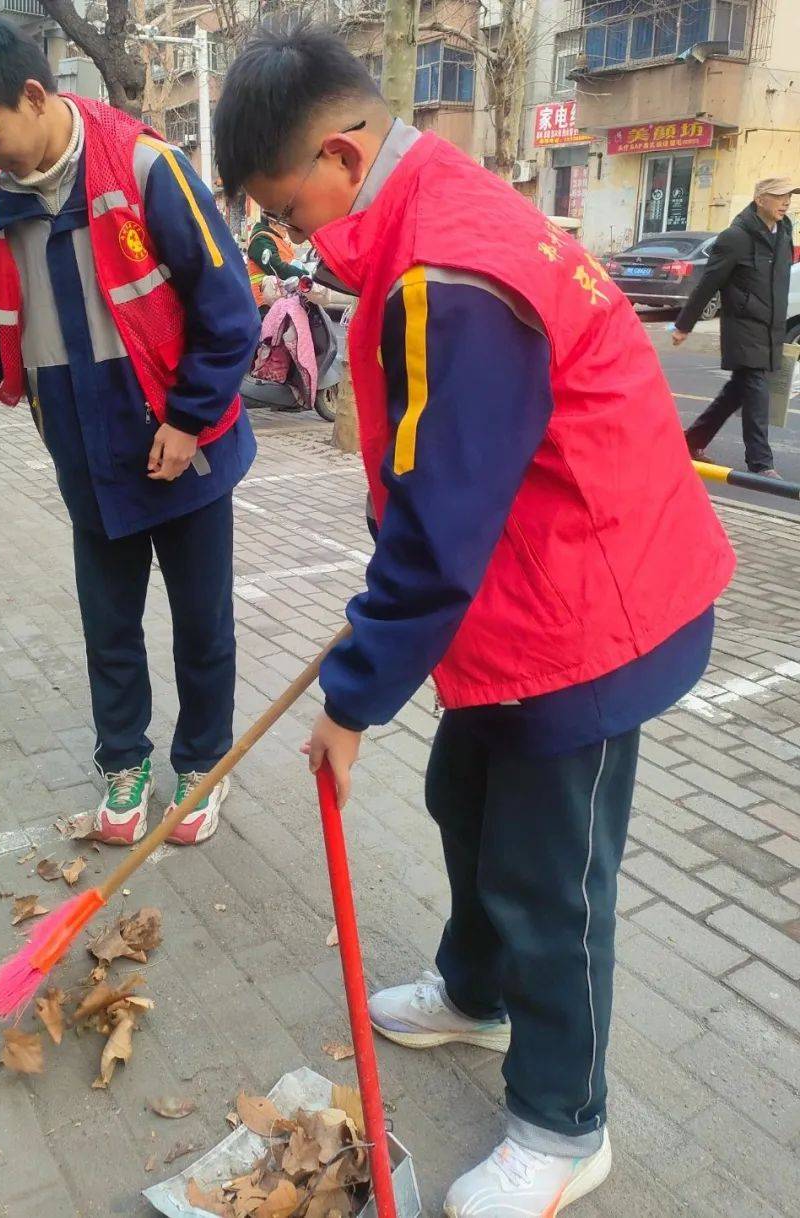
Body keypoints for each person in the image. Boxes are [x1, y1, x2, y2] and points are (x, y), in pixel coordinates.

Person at [214, 28, 735, 1218]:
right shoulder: (430, 213)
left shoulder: (450, 265)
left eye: (290, 208)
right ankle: (475, 989)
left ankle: (565, 1121)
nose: (293, 241)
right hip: (526, 588)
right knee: (466, 802)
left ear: (343, 156)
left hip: (594, 610)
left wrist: (352, 699)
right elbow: (442, 499)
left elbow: (441, 531)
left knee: (555, 876)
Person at [0, 14, 258, 846]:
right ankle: (123, 764)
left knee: (202, 624)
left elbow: (230, 310)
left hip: (183, 450)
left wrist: (189, 418)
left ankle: (205, 764)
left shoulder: (145, 166)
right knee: (109, 625)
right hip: (85, 446)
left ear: (34, 95)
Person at [673, 176, 797, 477]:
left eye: (789, 197)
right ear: (760, 200)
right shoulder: (736, 237)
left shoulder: (784, 230)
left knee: (737, 391)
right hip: (743, 326)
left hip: (771, 327)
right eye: (779, 196)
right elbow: (709, 283)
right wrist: (684, 325)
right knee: (756, 388)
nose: (786, 202)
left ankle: (691, 440)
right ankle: (761, 463)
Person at [246, 215, 301, 310]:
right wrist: (304, 275)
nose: (286, 226)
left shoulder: (278, 239)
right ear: (271, 221)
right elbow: (277, 267)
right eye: (283, 223)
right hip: (264, 303)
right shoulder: (261, 239)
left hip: (283, 299)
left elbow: (291, 263)